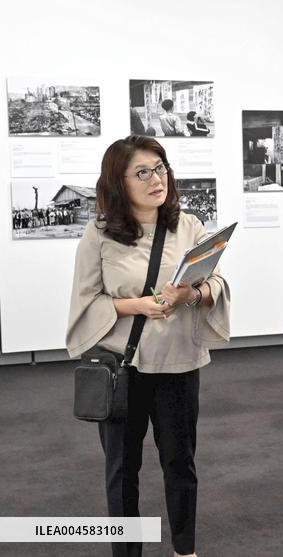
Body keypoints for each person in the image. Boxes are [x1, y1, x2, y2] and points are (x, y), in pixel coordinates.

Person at [66, 135, 231, 557]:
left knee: (180, 465)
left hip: (178, 365)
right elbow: (87, 301)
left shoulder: (188, 225)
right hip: (124, 368)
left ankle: (185, 549)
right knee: (123, 472)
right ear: (118, 182)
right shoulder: (99, 233)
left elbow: (214, 283)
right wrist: (137, 305)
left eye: (160, 168)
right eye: (142, 172)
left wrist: (188, 296)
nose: (156, 179)